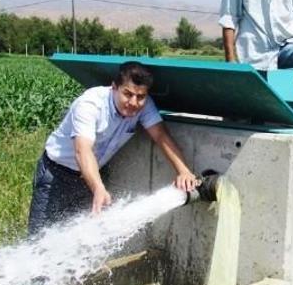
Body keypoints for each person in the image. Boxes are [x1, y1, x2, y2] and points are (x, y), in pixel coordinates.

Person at [27, 61, 198, 235]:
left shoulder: (143, 106)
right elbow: (83, 150)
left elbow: (161, 136)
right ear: (114, 87)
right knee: (39, 239)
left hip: (92, 177)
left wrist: (183, 171)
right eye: (128, 94)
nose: (134, 102)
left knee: (82, 238)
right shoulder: (90, 104)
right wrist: (98, 188)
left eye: (140, 96)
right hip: (56, 175)